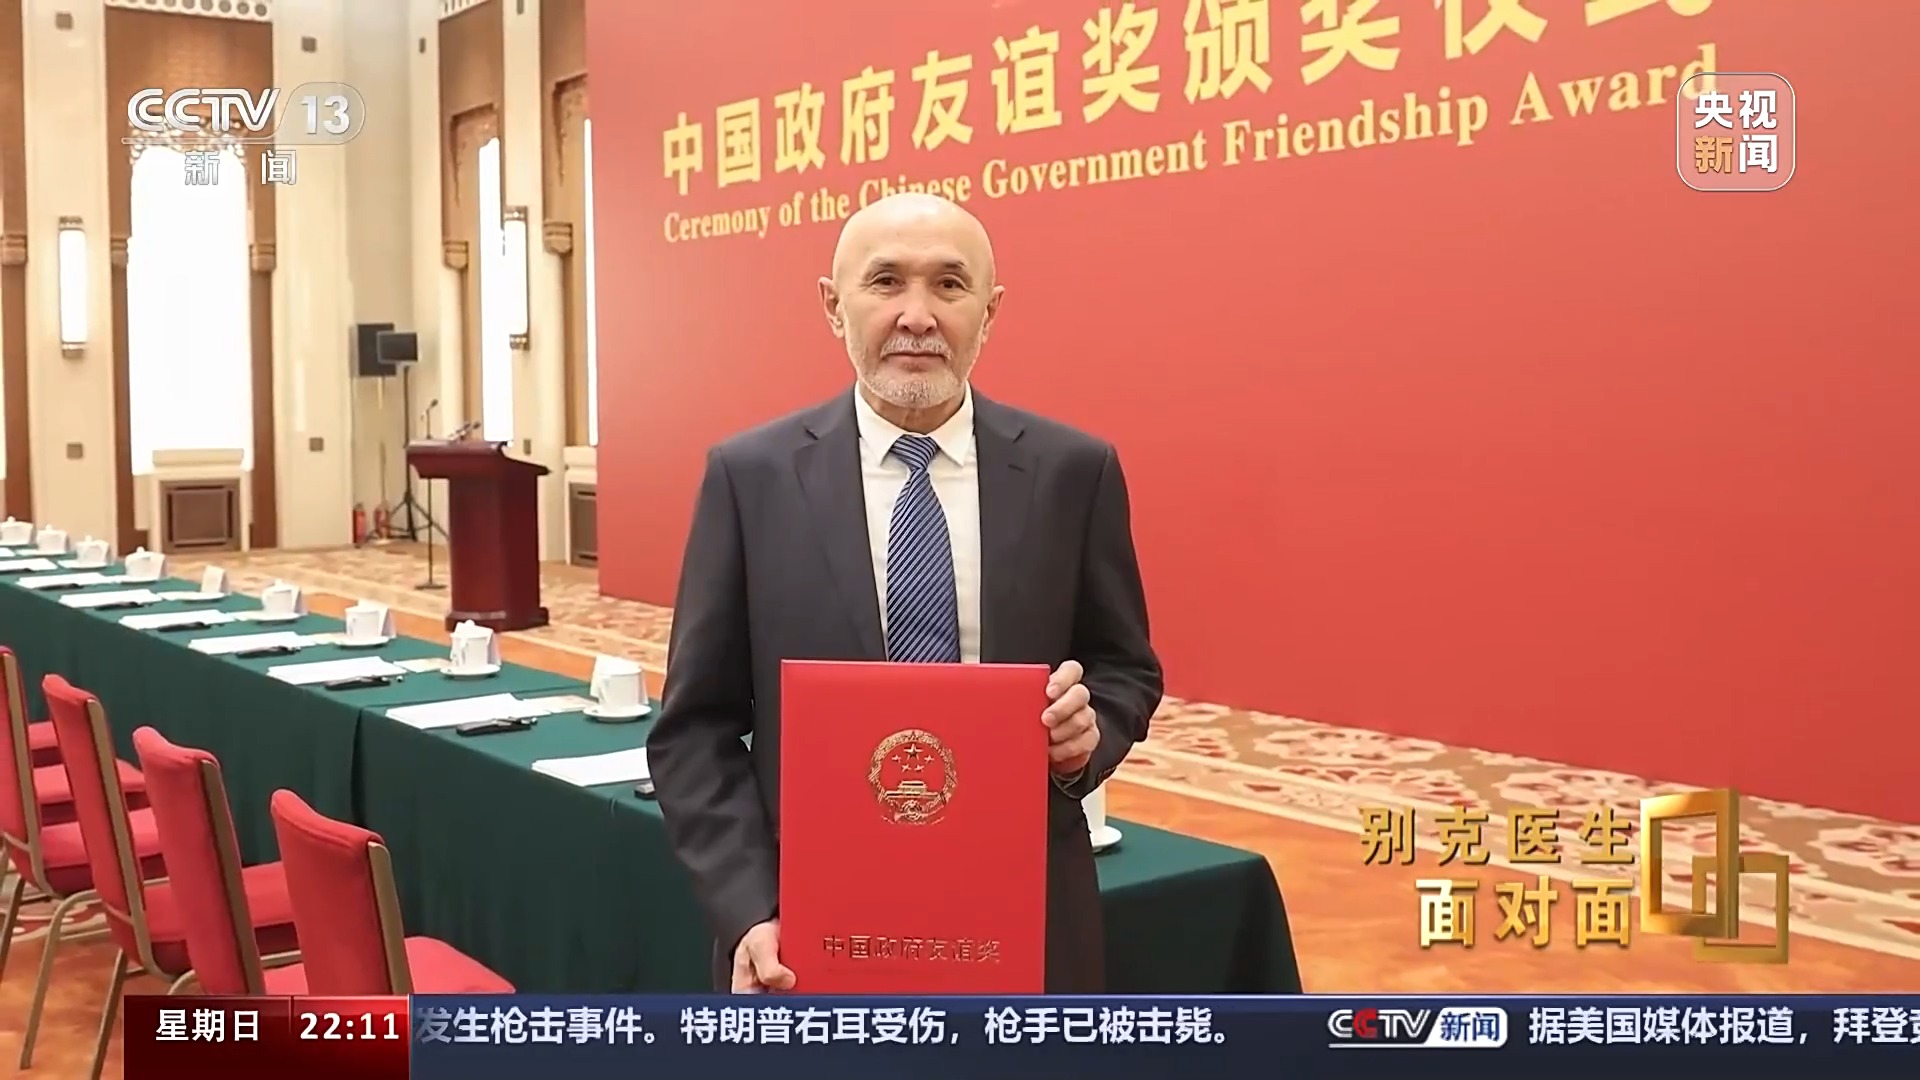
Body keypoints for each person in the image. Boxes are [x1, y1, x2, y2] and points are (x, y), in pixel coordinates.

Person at [647, 192, 1163, 994]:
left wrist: (1085, 734)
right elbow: (695, 731)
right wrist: (750, 909)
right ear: (833, 305)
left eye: (949, 286)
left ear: (990, 312)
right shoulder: (750, 479)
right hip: (806, 923)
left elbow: (1123, 667)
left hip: (1022, 912)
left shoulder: (1072, 472)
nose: (917, 316)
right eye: (885, 282)